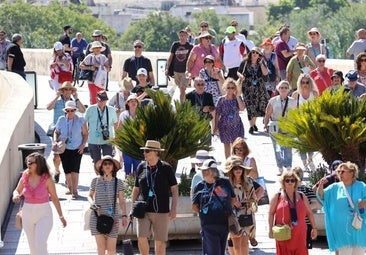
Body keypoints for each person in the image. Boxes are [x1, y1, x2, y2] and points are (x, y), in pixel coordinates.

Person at [12, 152, 67, 254]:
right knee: (32, 247)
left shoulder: (47, 179)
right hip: (27, 214)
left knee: (40, 243)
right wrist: (15, 195)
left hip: (44, 214)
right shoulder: (25, 176)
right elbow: (16, 190)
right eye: (28, 162)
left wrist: (61, 216)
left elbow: (54, 198)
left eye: (31, 162)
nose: (28, 164)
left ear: (39, 164)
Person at [131, 140, 178, 255]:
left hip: (161, 210)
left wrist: (173, 209)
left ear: (156, 152)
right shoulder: (141, 167)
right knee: (141, 238)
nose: (145, 154)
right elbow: (136, 189)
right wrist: (133, 207)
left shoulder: (166, 168)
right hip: (143, 210)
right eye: (144, 151)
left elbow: (174, 190)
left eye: (147, 151)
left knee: (160, 242)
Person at [316, 161, 366, 255]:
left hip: (358, 229)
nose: (339, 173)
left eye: (342, 171)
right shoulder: (335, 187)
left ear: (352, 173)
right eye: (338, 172)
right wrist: (320, 187)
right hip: (341, 231)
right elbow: (322, 196)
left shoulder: (361, 186)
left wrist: (363, 203)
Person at [192, 159, 236, 255]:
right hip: (208, 225)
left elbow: (232, 200)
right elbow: (194, 206)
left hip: (224, 224)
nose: (203, 172)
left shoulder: (225, 183)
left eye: (205, 170)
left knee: (220, 251)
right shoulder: (200, 186)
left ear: (212, 171)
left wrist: (226, 211)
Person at [268, 170, 317, 255]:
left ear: (296, 182)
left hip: (299, 233)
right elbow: (271, 213)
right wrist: (270, 229)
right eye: (287, 180)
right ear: (283, 182)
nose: (290, 182)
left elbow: (309, 213)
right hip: (283, 232)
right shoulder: (277, 196)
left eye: (292, 180)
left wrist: (314, 228)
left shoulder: (302, 196)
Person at [88, 155, 128, 255]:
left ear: (113, 167)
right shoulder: (95, 181)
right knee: (101, 249)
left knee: (111, 250)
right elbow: (89, 196)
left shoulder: (118, 182)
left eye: (110, 163)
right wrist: (92, 203)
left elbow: (122, 201)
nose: (107, 165)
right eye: (105, 164)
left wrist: (124, 215)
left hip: (112, 217)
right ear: (101, 167)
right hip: (97, 216)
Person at [46, 82, 86, 183]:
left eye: (69, 90)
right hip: (58, 130)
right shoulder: (58, 102)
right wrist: (56, 97)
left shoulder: (73, 103)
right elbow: (48, 107)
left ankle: (67, 177)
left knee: (67, 157)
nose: (67, 91)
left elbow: (82, 110)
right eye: (65, 89)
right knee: (56, 156)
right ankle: (57, 170)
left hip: (71, 133)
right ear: (62, 91)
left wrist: (76, 98)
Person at [223, 155, 257, 255]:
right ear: (231, 170)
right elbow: (220, 197)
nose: (238, 170)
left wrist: (247, 202)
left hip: (246, 215)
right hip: (233, 216)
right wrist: (233, 202)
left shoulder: (249, 181)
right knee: (236, 245)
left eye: (240, 168)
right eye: (235, 168)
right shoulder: (226, 183)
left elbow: (254, 199)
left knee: (245, 244)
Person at [54, 100, 88, 199]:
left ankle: (75, 191)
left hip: (77, 148)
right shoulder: (61, 120)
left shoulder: (81, 120)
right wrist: (56, 141)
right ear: (65, 111)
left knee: (75, 169)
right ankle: (70, 188)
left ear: (75, 110)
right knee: (67, 170)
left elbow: (85, 134)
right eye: (68, 110)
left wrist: (83, 145)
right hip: (64, 148)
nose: (70, 112)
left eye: (72, 110)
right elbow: (56, 132)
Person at [263, 81, 297, 175]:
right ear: (278, 89)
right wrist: (265, 125)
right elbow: (268, 113)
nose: (283, 89)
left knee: (288, 147)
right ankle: (280, 166)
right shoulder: (273, 100)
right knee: (277, 148)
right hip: (275, 126)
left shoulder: (293, 102)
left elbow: (295, 115)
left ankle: (288, 166)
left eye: (285, 87)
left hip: (288, 126)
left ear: (289, 89)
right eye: (281, 87)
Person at [237, 47, 269, 135]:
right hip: (248, 88)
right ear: (250, 53)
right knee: (250, 107)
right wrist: (241, 76)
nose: (255, 54)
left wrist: (262, 62)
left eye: (257, 53)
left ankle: (253, 124)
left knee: (258, 106)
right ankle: (251, 126)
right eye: (253, 52)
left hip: (259, 89)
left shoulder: (261, 63)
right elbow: (238, 71)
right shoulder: (245, 62)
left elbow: (265, 73)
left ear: (259, 55)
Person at [291, 74, 319, 171]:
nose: (305, 84)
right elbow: (292, 110)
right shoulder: (296, 94)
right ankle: (304, 163)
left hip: (311, 122)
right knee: (301, 144)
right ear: (300, 83)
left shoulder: (314, 94)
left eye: (307, 82)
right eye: (303, 82)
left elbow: (318, 108)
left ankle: (310, 159)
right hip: (299, 122)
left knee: (311, 143)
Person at [84, 91, 118, 168]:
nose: (102, 102)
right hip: (93, 139)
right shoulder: (90, 109)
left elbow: (115, 124)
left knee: (108, 161)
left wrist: (116, 139)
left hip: (108, 139)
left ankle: (106, 178)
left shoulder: (111, 110)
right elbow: (83, 122)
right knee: (97, 162)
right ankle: (99, 177)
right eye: (100, 99)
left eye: (104, 100)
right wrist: (85, 134)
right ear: (97, 99)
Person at [214, 78, 245, 158]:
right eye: (228, 87)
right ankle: (228, 162)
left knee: (237, 144)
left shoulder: (237, 98)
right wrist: (215, 126)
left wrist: (237, 96)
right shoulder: (221, 100)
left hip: (236, 124)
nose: (230, 89)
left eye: (232, 87)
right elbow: (217, 113)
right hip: (224, 125)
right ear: (225, 88)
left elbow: (242, 108)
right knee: (226, 144)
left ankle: (236, 161)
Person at [293, 167, 322, 249]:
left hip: (295, 223)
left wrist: (300, 210)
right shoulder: (307, 189)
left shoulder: (287, 190)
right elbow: (315, 204)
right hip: (305, 223)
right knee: (303, 248)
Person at [116, 94, 141, 176]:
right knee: (127, 165)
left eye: (135, 101)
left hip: (137, 144)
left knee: (137, 166)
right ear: (128, 103)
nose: (133, 103)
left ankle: (136, 186)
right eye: (131, 101)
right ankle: (128, 185)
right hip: (126, 144)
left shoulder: (140, 115)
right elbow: (119, 129)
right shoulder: (123, 114)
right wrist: (117, 142)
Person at [165, 29, 193, 102]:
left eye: (183, 35)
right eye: (180, 35)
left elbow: (193, 59)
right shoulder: (175, 45)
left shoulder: (190, 46)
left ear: (187, 36)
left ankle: (182, 106)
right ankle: (186, 101)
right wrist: (167, 69)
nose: (182, 37)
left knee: (182, 89)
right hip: (176, 71)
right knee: (181, 89)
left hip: (185, 71)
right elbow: (170, 57)